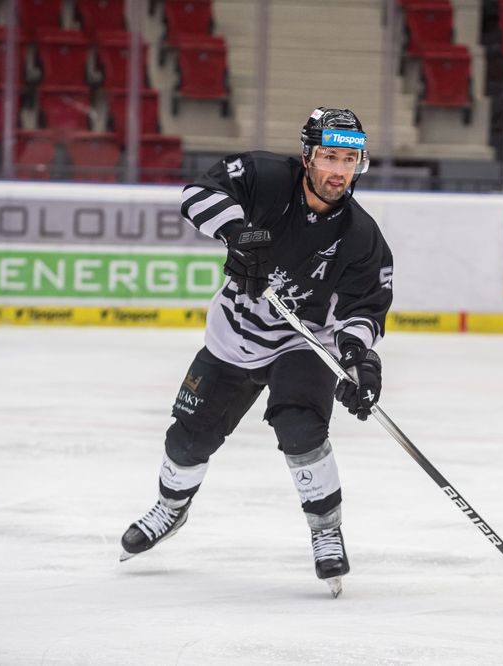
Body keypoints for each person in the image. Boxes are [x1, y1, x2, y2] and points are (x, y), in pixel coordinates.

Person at [119, 108, 394, 597]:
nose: (338, 171)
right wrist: (236, 233)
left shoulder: (361, 236)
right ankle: (171, 508)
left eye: (349, 161)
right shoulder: (267, 177)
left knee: (301, 428)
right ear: (307, 156)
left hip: (301, 341)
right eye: (329, 157)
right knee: (187, 439)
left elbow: (365, 308)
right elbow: (197, 193)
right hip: (234, 332)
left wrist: (358, 360)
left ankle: (326, 530)